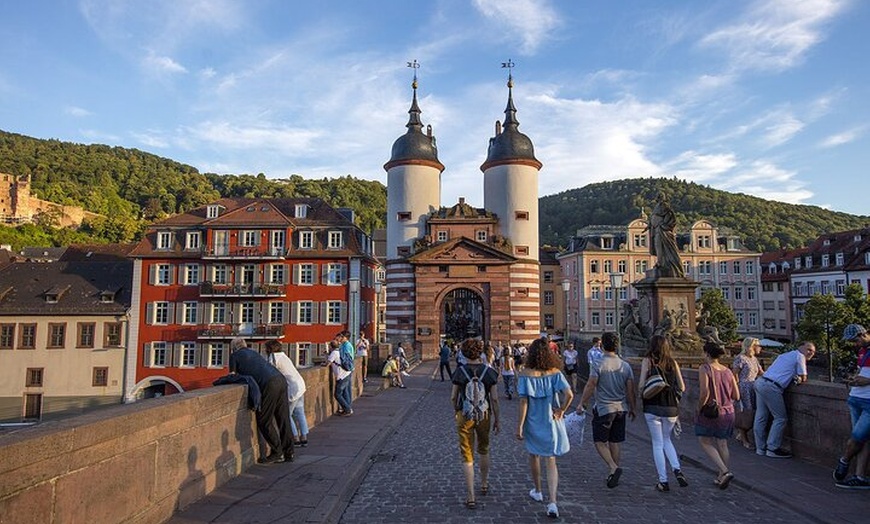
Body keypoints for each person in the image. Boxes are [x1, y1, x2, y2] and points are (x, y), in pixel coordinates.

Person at [517, 338, 573, 519]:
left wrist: (519, 426)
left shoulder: (525, 374)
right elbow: (569, 394)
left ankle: (538, 490)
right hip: (551, 420)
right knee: (551, 459)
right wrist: (562, 410)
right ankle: (553, 502)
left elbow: (524, 402)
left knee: (534, 455)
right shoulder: (555, 372)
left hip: (533, 420)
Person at [576, 332, 636, 489]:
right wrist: (632, 407)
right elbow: (630, 390)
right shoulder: (625, 365)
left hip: (604, 408)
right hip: (621, 408)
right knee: (615, 441)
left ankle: (613, 467)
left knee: (600, 442)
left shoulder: (598, 363)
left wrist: (582, 402)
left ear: (603, 345)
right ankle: (612, 473)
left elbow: (591, 384)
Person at [451, 338, 500, 510]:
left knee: (467, 453)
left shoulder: (460, 371)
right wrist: (497, 419)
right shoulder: (490, 372)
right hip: (484, 415)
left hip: (465, 415)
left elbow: (453, 397)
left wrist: (456, 411)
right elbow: (495, 399)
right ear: (480, 352)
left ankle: (471, 496)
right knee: (484, 448)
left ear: (464, 353)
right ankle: (484, 483)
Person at [229, 338, 295, 464]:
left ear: (234, 348)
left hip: (269, 384)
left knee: (264, 420)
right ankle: (289, 452)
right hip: (280, 379)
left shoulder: (235, 356)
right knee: (283, 418)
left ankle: (277, 452)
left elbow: (232, 376)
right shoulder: (254, 352)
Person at [638, 334, 688, 492]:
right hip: (671, 407)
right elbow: (682, 387)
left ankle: (663, 481)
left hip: (652, 406)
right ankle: (677, 469)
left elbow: (641, 385)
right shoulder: (673, 362)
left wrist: (646, 389)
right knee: (667, 439)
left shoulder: (648, 361)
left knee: (657, 443)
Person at [754, 341, 816, 458]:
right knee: (780, 418)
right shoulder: (800, 356)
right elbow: (803, 377)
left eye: (813, 352)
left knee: (761, 417)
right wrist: (798, 378)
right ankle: (772, 448)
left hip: (761, 382)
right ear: (800, 347)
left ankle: (760, 448)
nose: (811, 353)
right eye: (809, 349)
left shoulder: (784, 355)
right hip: (772, 387)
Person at [695, 341, 739, 489]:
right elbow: (736, 395)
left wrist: (699, 408)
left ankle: (725, 471)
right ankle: (721, 476)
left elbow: (704, 392)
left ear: (707, 354)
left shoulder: (705, 368)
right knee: (722, 443)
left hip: (712, 411)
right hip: (728, 411)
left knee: (705, 441)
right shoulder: (727, 371)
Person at [833, 324, 870, 488]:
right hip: (855, 398)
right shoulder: (862, 351)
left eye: (855, 340)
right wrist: (853, 378)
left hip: (868, 401)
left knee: (856, 437)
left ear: (863, 335)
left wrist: (867, 381)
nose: (854, 344)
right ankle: (860, 477)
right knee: (864, 439)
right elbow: (862, 372)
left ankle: (844, 460)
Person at [265, 340, 309, 447]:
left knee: (287, 414)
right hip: (300, 384)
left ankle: (295, 438)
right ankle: (304, 437)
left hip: (292, 388)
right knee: (300, 412)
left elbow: (269, 373)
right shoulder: (283, 356)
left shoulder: (273, 358)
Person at [732, 337, 764, 450]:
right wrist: (736, 388)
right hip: (744, 387)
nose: (760, 348)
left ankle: (741, 434)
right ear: (751, 346)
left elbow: (761, 373)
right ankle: (744, 438)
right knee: (746, 412)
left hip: (753, 387)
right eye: (758, 345)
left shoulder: (754, 359)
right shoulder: (741, 358)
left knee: (754, 412)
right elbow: (734, 374)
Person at [646, 192, 684, 278]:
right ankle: (660, 263)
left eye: (659, 196)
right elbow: (653, 217)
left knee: (663, 247)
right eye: (658, 196)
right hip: (656, 229)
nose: (658, 198)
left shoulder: (664, 205)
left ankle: (662, 264)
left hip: (662, 230)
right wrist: (650, 225)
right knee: (658, 246)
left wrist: (664, 224)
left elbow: (670, 215)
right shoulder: (657, 206)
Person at [324, 330, 354, 416]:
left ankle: (347, 409)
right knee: (345, 391)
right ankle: (347, 408)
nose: (340, 338)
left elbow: (328, 363)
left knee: (338, 394)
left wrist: (327, 355)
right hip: (346, 372)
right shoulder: (342, 348)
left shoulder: (345, 346)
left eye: (342, 337)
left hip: (343, 373)